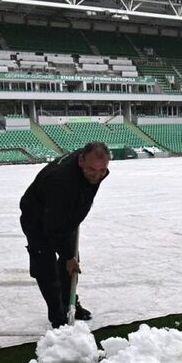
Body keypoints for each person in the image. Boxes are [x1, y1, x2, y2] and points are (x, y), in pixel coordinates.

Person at [19, 141, 110, 329]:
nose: (97, 175)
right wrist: (68, 256)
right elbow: (53, 227)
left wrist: (75, 216)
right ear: (81, 161)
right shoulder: (60, 182)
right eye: (92, 170)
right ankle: (58, 317)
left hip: (63, 214)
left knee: (70, 265)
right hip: (37, 218)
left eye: (102, 170)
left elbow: (85, 192)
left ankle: (70, 303)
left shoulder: (93, 169)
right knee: (46, 266)